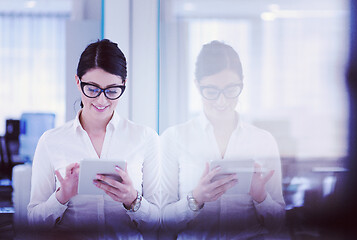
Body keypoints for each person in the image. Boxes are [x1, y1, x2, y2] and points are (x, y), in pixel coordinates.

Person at [27, 39, 160, 239]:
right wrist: (61, 197)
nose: (101, 100)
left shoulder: (145, 138)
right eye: (92, 89)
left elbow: (159, 224)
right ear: (78, 82)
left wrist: (133, 200)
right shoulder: (51, 141)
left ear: (124, 85)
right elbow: (33, 224)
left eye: (112, 91)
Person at [161, 40, 285, 239]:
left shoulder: (263, 141)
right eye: (211, 91)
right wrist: (196, 199)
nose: (221, 101)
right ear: (197, 85)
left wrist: (261, 197)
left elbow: (279, 225)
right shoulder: (173, 139)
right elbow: (161, 222)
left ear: (241, 84)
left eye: (230, 90)